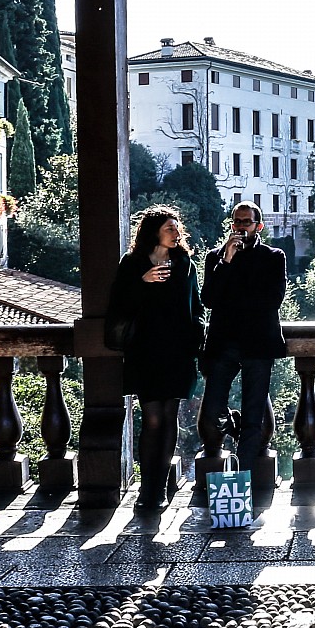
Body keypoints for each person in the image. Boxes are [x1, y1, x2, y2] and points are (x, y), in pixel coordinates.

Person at [109, 206, 206, 511]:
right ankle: (147, 488)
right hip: (145, 352)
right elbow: (118, 304)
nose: (176, 233)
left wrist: (197, 337)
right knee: (152, 419)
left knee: (169, 417)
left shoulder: (183, 262)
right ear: (154, 231)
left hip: (177, 352)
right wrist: (143, 281)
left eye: (178, 229)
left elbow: (196, 306)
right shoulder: (133, 263)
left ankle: (161, 488)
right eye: (170, 228)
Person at [200, 202, 286, 483]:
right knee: (212, 409)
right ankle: (232, 423)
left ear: (258, 226)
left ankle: (243, 483)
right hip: (223, 344)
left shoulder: (274, 256)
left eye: (246, 222)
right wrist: (227, 262)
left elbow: (273, 299)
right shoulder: (217, 258)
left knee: (254, 418)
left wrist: (237, 297)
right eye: (236, 222)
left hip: (258, 344)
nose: (240, 227)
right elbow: (209, 299)